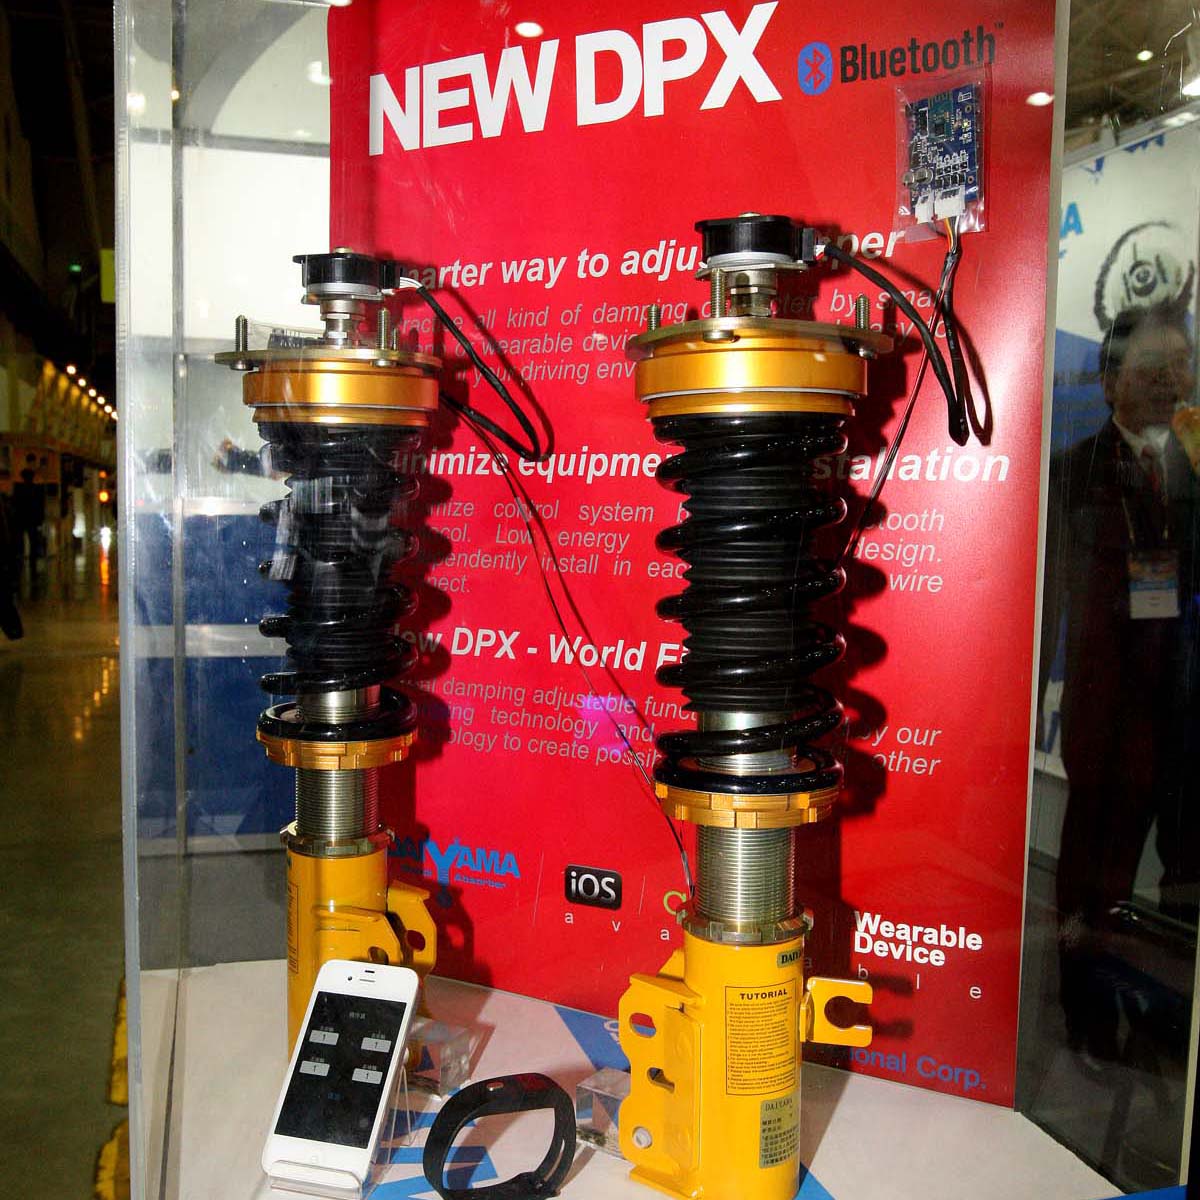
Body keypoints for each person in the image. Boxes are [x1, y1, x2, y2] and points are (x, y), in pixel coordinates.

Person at [1041, 301, 1200, 1057]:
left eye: (1181, 366)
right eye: (1152, 368)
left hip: (1186, 714)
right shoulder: (1075, 471)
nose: (1170, 381)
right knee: (1093, 874)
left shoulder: (1194, 466)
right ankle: (1089, 1016)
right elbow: (1047, 601)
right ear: (1109, 383)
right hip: (1109, 713)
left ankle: (1165, 1021)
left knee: (1181, 876)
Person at [11, 453, 45, 567]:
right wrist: (40, 518)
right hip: (32, 517)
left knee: (20, 541)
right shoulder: (37, 485)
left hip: (20, 516)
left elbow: (15, 501)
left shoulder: (18, 484)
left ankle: (20, 561)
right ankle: (32, 564)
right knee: (33, 541)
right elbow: (40, 503)